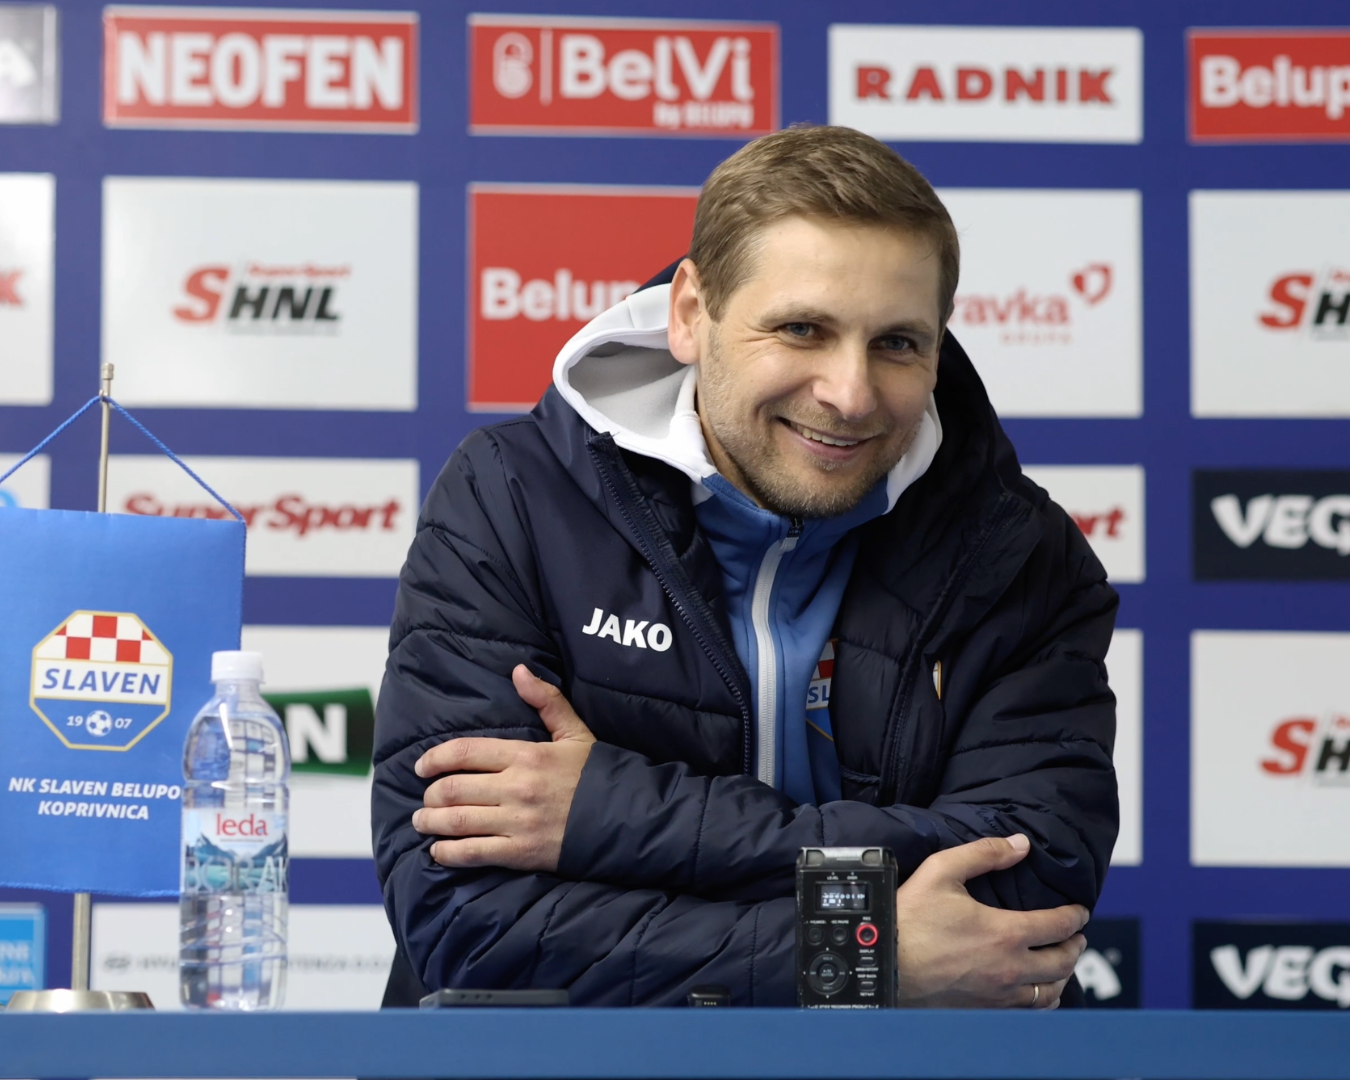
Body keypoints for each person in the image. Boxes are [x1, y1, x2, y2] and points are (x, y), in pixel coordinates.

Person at [372, 125, 1119, 1009]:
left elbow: (1021, 894)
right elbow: (468, 922)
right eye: (802, 329)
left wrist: (612, 815)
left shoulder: (1020, 554)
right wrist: (867, 953)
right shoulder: (512, 498)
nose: (849, 393)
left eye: (897, 344)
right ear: (692, 313)